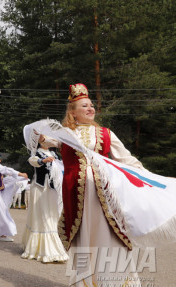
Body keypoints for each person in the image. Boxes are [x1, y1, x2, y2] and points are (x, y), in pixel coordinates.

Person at [48, 83, 145, 285]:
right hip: (79, 198)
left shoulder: (106, 133)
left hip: (104, 196)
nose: (90, 108)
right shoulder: (64, 134)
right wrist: (40, 135)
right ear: (73, 113)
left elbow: (126, 159)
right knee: (86, 240)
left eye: (91, 105)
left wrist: (148, 177)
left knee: (109, 236)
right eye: (84, 106)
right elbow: (43, 140)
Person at [21, 135, 68, 263]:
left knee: (52, 215)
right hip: (40, 188)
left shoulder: (55, 154)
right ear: (41, 141)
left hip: (52, 189)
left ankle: (53, 247)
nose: (49, 140)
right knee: (40, 215)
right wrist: (43, 161)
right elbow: (32, 161)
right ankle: (40, 249)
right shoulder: (37, 152)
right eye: (46, 138)